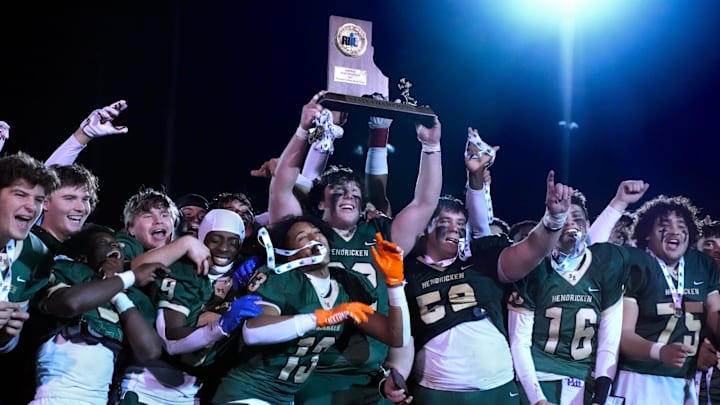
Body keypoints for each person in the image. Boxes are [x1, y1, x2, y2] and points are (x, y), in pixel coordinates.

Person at [270, 91, 441, 404]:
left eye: (354, 191)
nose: (348, 194)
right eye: (338, 189)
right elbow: (280, 186)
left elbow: (425, 202)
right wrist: (301, 131)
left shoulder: (379, 235)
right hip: (312, 369)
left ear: (363, 205)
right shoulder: (305, 233)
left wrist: (431, 146)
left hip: (369, 371)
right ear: (320, 201)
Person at [385, 170, 573, 405]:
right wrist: (396, 374)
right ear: (425, 228)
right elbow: (404, 337)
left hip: (497, 389)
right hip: (438, 392)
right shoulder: (408, 271)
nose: (455, 228)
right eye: (445, 221)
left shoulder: (480, 257)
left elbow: (531, 250)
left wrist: (554, 219)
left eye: (461, 223)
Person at [212, 215, 409, 404]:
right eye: (302, 237)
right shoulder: (283, 281)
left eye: (317, 232)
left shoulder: (345, 284)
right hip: (247, 390)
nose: (315, 238)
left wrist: (395, 285)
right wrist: (321, 318)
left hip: (284, 398)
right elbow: (253, 331)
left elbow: (396, 337)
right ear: (287, 254)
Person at [507, 189, 649, 405]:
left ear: (587, 224)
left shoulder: (606, 264)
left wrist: (601, 397)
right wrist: (537, 399)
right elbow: (519, 342)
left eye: (577, 218)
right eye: (563, 218)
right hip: (539, 375)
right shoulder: (534, 269)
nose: (571, 223)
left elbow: (608, 343)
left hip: (584, 378)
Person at [119, 209, 263, 404]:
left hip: (194, 390)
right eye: (215, 239)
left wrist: (260, 258)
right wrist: (221, 326)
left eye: (233, 242)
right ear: (202, 238)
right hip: (150, 383)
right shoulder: (183, 270)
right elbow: (171, 342)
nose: (223, 248)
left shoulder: (247, 273)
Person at [30, 224, 167, 404]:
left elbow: (150, 350)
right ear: (83, 257)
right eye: (104, 243)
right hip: (55, 395)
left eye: (118, 244)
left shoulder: (134, 297)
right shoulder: (69, 270)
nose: (114, 246)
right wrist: (128, 278)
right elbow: (70, 303)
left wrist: (118, 292)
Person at [614, 195, 720, 404]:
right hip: (639, 378)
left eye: (681, 225)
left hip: (686, 383)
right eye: (664, 225)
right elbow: (623, 335)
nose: (674, 230)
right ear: (646, 234)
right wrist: (660, 351)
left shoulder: (701, 266)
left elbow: (715, 315)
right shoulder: (637, 264)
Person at [0, 151, 59, 353]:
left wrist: (6, 336)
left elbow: (7, 346)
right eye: (20, 194)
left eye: (39, 199)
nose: (31, 206)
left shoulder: (36, 253)